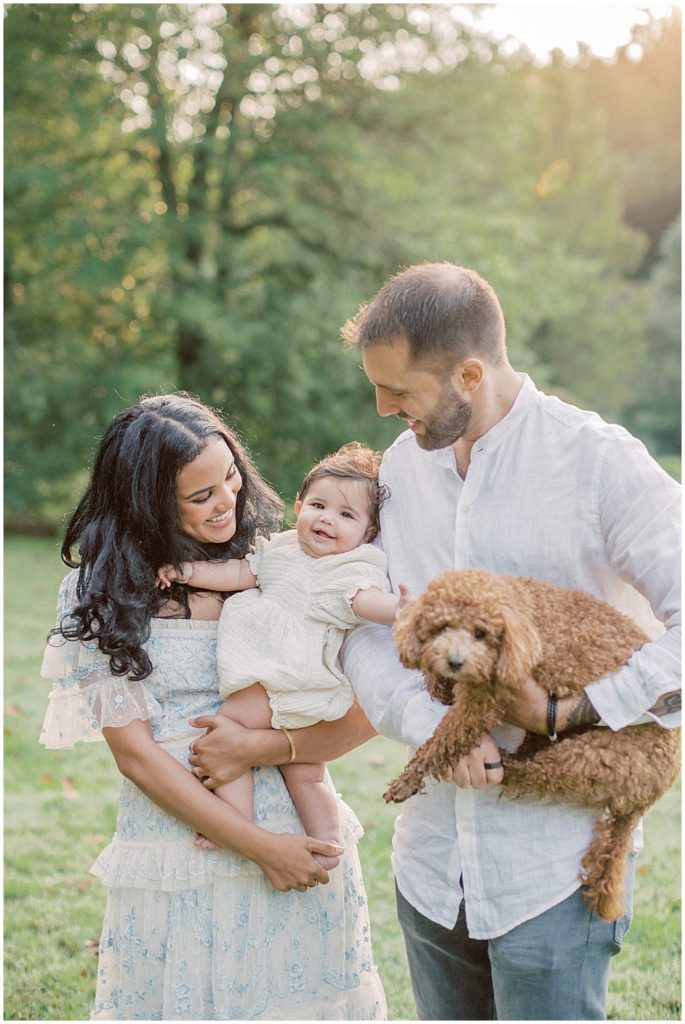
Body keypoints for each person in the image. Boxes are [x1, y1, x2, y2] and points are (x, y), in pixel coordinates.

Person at [335, 262, 681, 1021]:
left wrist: (571, 711)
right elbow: (359, 628)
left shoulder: (597, 462)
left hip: (552, 873)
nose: (383, 409)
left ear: (468, 373)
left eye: (399, 391)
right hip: (430, 869)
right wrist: (433, 726)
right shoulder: (398, 471)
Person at [40, 393, 387, 1021]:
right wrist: (257, 845)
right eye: (200, 496)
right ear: (146, 500)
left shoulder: (281, 562)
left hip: (301, 832)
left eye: (230, 477)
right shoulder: (97, 593)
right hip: (180, 846)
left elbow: (362, 715)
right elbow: (137, 757)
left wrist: (266, 752)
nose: (226, 501)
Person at [155, 442, 405, 862]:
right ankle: (328, 842)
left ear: (368, 533)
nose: (328, 519)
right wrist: (189, 571)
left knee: (226, 730)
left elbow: (364, 601)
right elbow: (240, 573)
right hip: (304, 689)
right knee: (306, 774)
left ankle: (234, 819)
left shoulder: (350, 569)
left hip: (281, 678)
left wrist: (405, 611)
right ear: (299, 504)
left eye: (346, 515)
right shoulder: (283, 549)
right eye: (319, 505)